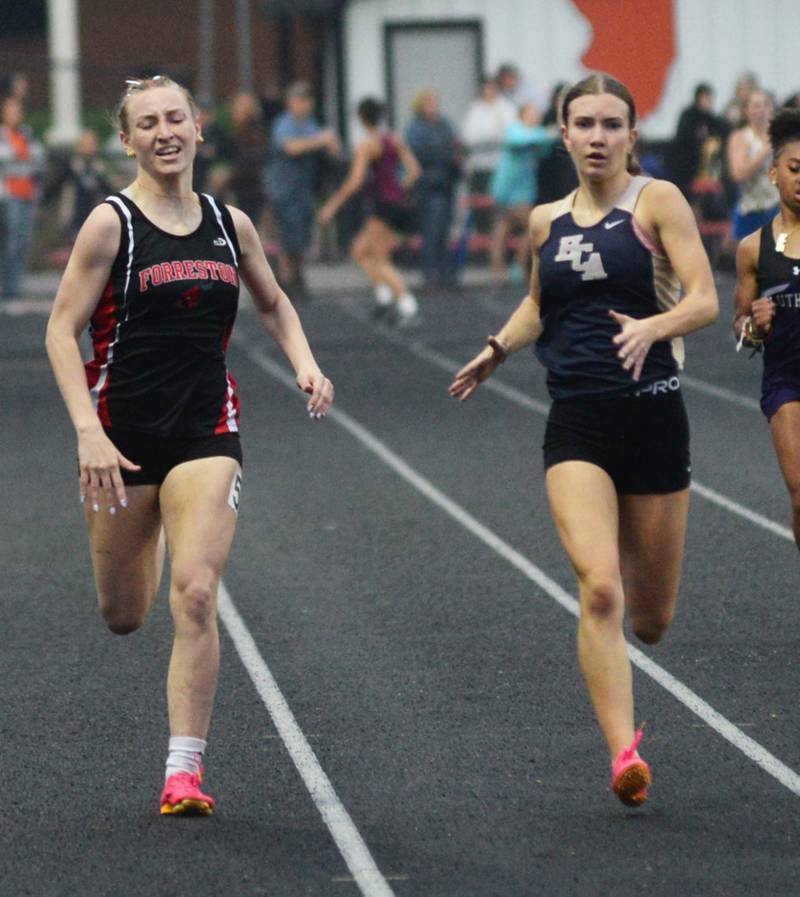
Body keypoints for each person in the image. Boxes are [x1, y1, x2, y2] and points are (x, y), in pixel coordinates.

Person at [44, 76, 334, 816]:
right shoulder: (111, 225)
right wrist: (87, 432)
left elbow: (271, 299)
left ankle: (184, 771)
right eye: (149, 122)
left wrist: (304, 362)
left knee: (197, 592)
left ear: (200, 128)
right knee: (124, 612)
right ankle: (147, 540)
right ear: (128, 139)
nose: (165, 131)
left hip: (207, 428)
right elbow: (59, 329)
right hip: (122, 438)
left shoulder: (227, 222)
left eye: (177, 117)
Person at [449, 72, 718, 806]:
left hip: (655, 414)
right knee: (599, 586)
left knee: (652, 618)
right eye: (584, 124)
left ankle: (636, 669)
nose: (597, 137)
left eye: (611, 124)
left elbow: (704, 297)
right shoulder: (545, 222)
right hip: (577, 422)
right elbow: (541, 301)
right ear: (562, 133)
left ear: (633, 135)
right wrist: (498, 347)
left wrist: (654, 327)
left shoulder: (657, 202)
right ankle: (623, 751)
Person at [733, 106, 800, 550]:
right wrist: (755, 327)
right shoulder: (752, 248)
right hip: (785, 382)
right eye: (795, 169)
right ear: (774, 174)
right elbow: (741, 329)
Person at [318, 97, 422, 324]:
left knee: (380, 259)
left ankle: (407, 303)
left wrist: (332, 206)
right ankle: (384, 297)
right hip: (397, 204)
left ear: (361, 118)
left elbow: (355, 181)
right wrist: (400, 188)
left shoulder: (367, 145)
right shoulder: (394, 139)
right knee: (360, 250)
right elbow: (414, 170)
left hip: (382, 206)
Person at [267, 81, 340, 298]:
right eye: (301, 100)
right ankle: (286, 280)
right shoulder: (284, 124)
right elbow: (291, 147)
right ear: (291, 103)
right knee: (290, 235)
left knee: (302, 235)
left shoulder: (311, 124)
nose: (306, 105)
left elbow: (331, 150)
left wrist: (329, 144)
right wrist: (320, 141)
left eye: (308, 100)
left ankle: (296, 277)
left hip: (304, 189)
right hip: (285, 189)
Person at [489, 102, 556, 287]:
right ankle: (515, 266)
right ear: (522, 115)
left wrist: (547, 136)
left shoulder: (534, 135)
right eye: (531, 113)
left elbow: (544, 151)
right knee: (531, 227)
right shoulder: (515, 130)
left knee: (503, 230)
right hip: (510, 191)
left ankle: (500, 272)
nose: (535, 117)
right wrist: (546, 133)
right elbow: (519, 140)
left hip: (521, 190)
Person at [405, 88, 462, 288]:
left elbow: (455, 144)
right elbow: (418, 152)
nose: (434, 106)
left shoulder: (444, 124)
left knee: (444, 230)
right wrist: (446, 154)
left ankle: (444, 271)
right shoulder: (416, 127)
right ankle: (431, 271)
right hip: (428, 184)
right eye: (430, 102)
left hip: (446, 183)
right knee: (431, 230)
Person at [0, 94, 45, 299]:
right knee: (10, 241)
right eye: (12, 110)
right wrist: (20, 157)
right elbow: (6, 156)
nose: (17, 114)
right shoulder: (3, 134)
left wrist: (22, 156)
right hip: (9, 194)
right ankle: (7, 286)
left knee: (22, 241)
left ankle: (14, 286)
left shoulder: (26, 134)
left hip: (27, 193)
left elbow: (38, 157)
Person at [460, 76, 516, 234]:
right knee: (479, 204)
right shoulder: (475, 109)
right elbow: (467, 136)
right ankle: (482, 233)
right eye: (486, 88)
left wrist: (487, 137)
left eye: (492, 88)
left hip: (499, 165)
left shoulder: (506, 108)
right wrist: (489, 137)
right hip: (478, 165)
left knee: (497, 204)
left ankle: (499, 234)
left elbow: (508, 134)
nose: (489, 92)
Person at [43, 129, 116, 239]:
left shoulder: (99, 169)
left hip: (93, 221)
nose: (91, 147)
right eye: (87, 144)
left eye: (93, 144)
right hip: (72, 221)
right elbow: (52, 189)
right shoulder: (69, 167)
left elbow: (110, 190)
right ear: (79, 146)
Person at [727, 89, 779, 240]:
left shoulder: (782, 137)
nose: (761, 111)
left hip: (777, 210)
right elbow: (738, 174)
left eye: (765, 105)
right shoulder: (741, 137)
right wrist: (762, 152)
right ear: (747, 111)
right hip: (751, 212)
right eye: (756, 106)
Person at [667, 83, 727, 199]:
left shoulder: (709, 117)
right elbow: (683, 137)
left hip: (702, 165)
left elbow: (721, 129)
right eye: (705, 98)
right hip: (683, 162)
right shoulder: (688, 115)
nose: (707, 101)